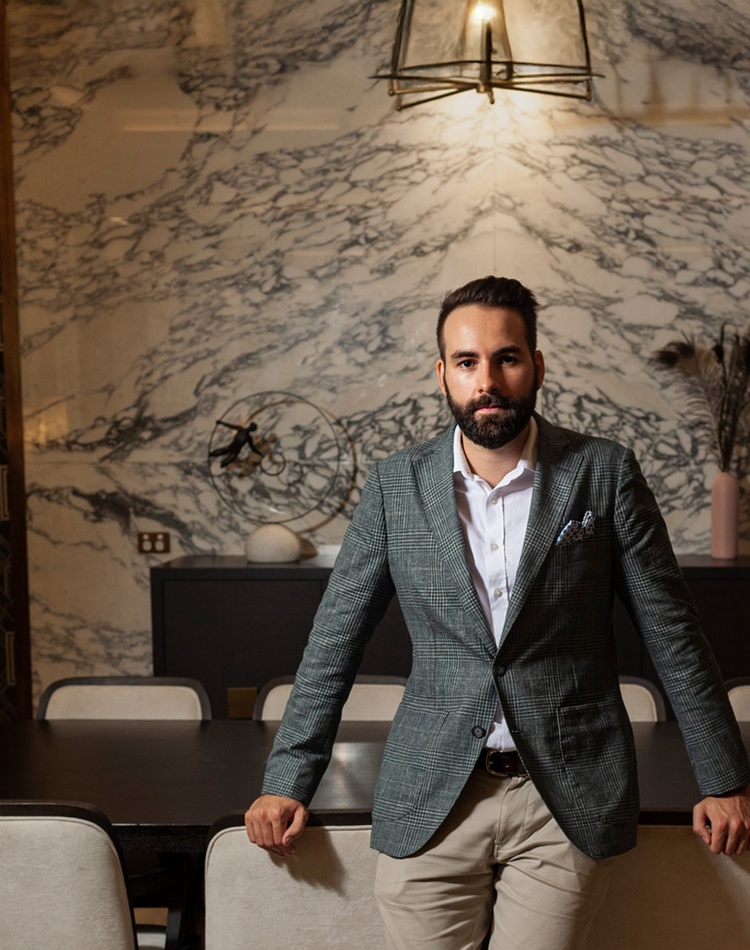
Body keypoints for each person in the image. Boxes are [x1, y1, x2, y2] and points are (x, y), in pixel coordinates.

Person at [245, 276, 750, 950]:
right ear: (442, 374)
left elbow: (673, 632)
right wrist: (286, 779)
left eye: (506, 358)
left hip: (564, 796)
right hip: (433, 793)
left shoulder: (603, 472)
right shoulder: (398, 486)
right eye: (467, 362)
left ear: (536, 366)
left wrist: (723, 778)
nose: (488, 379)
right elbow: (334, 641)